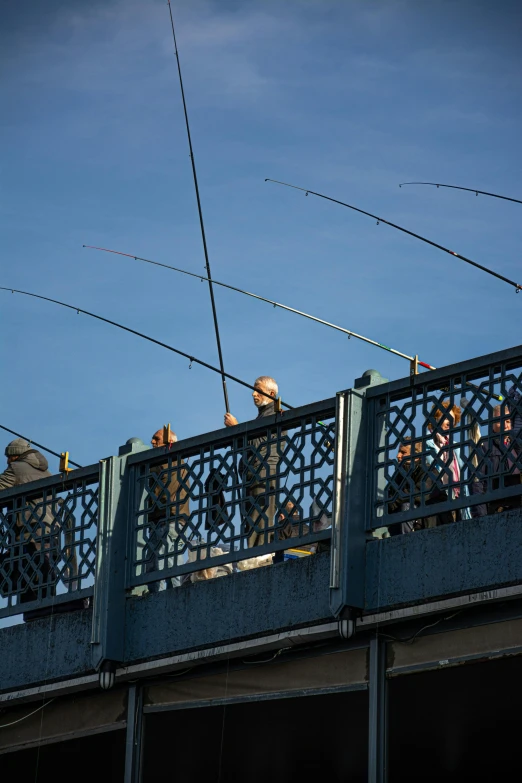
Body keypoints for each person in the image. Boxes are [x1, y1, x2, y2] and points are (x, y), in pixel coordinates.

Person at [0, 439, 58, 620]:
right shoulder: (46, 472)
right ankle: (45, 615)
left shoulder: (17, 469)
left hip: (29, 533)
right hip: (51, 532)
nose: (8, 461)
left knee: (28, 577)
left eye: (9, 457)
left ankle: (34, 620)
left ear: (15, 455)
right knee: (42, 576)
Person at [224, 376, 281, 548]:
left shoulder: (275, 414)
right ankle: (253, 559)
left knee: (259, 526)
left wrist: (236, 429)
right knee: (251, 525)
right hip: (253, 475)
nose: (253, 394)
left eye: (259, 390)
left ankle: (258, 560)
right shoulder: (263, 416)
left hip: (262, 475)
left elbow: (258, 444)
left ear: (271, 393)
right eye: (254, 390)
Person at [145, 427, 190, 592]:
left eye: (156, 438)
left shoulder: (171, 459)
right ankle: (159, 592)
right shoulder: (160, 462)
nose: (152, 442)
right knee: (156, 559)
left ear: (169, 442)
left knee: (166, 558)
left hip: (171, 517)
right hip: (160, 519)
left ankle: (169, 594)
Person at [425, 402, 471, 524]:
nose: (449, 421)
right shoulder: (426, 444)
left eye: (452, 419)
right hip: (438, 500)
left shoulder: (455, 447)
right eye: (445, 417)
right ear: (435, 419)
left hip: (458, 500)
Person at [471, 405, 521, 517]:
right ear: (492, 422)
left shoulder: (517, 446)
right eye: (500, 421)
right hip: (497, 508)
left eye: (507, 421)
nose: (505, 425)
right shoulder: (484, 447)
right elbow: (477, 483)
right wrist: (481, 517)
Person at [387, 438, 427, 534]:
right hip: (399, 525)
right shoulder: (399, 475)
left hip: (427, 524)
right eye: (398, 452)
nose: (398, 456)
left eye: (403, 452)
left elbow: (420, 493)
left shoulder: (426, 471)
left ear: (416, 456)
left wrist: (395, 501)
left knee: (407, 507)